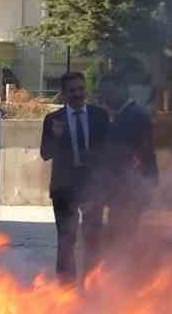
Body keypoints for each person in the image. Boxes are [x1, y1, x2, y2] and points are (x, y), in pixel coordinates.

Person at [41, 71, 111, 282]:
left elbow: (109, 150)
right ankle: (66, 289)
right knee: (66, 240)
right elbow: (46, 154)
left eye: (81, 89)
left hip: (92, 187)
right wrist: (55, 136)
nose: (78, 94)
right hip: (64, 188)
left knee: (93, 238)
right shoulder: (53, 119)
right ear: (63, 94)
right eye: (72, 91)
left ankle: (92, 284)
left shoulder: (100, 115)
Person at [100, 76, 158, 245]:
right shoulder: (123, 115)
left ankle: (126, 269)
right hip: (122, 190)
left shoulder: (135, 116)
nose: (105, 98)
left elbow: (144, 153)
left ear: (121, 90)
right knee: (118, 236)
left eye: (108, 93)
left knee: (124, 237)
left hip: (129, 190)